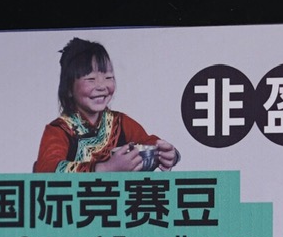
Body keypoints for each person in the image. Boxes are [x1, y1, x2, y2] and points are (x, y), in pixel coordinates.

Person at [33, 38, 182, 173]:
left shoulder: (120, 122)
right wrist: (106, 168)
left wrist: (168, 154)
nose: (101, 86)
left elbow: (148, 142)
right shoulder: (58, 131)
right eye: (91, 79)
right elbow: (46, 169)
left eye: (108, 77)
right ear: (69, 89)